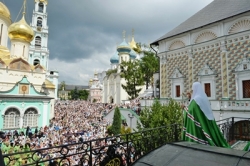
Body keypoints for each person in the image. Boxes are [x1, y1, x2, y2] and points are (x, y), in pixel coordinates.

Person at [182, 82, 230, 148]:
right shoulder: (202, 97)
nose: (192, 92)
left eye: (193, 90)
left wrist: (184, 108)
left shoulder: (196, 100)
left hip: (197, 125)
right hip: (205, 121)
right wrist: (190, 98)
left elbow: (191, 111)